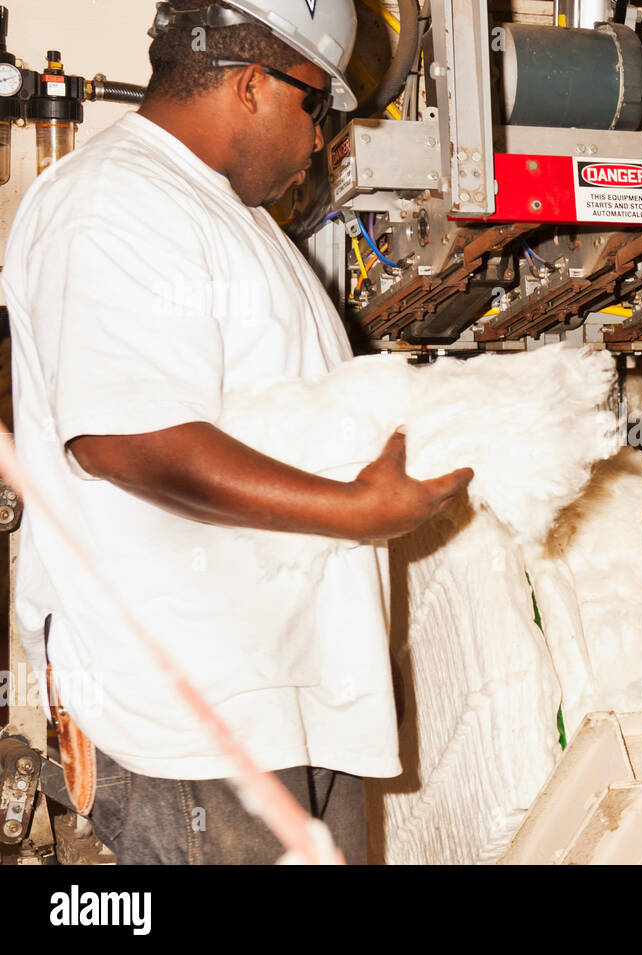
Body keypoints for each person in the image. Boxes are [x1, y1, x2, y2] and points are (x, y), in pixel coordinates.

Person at [2, 0, 471, 863]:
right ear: (254, 84)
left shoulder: (236, 222)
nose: (319, 141)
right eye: (315, 107)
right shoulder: (118, 200)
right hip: (195, 729)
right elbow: (128, 441)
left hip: (278, 709)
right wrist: (357, 513)